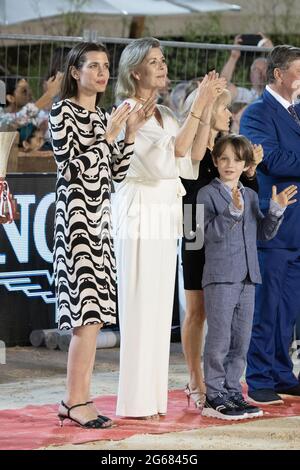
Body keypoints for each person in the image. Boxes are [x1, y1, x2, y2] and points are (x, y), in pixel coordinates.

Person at [113, 37, 226, 419]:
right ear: (135, 72)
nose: (162, 67)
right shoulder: (129, 110)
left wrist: (206, 105)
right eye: (154, 61)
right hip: (140, 210)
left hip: (164, 210)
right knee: (141, 305)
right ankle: (134, 400)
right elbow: (175, 151)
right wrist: (198, 104)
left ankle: (153, 399)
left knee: (161, 310)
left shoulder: (163, 111)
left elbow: (194, 154)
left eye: (163, 60)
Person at [49, 41, 151, 428]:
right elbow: (72, 169)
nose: (103, 72)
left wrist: (127, 136)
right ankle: (76, 400)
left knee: (93, 318)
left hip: (101, 222)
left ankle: (76, 399)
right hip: (76, 222)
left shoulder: (104, 116)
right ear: (75, 72)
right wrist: (108, 136)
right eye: (94, 66)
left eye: (106, 65)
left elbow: (115, 174)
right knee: (84, 318)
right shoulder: (63, 112)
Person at [197, 134, 297, 420]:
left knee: (241, 341)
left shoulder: (251, 195)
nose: (230, 165)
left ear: (246, 165)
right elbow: (203, 236)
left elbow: (264, 233)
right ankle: (213, 395)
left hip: (249, 278)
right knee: (219, 340)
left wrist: (276, 211)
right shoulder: (206, 194)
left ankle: (232, 391)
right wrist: (231, 212)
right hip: (220, 277)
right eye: (224, 158)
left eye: (237, 160)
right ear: (215, 161)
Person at [180, 87, 261, 410]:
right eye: (224, 108)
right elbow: (190, 189)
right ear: (208, 108)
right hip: (194, 222)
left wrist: (251, 172)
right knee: (196, 310)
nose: (229, 114)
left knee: (220, 317)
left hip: (227, 236)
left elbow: (247, 193)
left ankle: (221, 385)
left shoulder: (227, 147)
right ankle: (195, 379)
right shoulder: (196, 143)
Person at [240, 45, 300, 404]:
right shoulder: (256, 114)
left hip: (298, 228)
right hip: (274, 224)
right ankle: (259, 375)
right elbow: (273, 160)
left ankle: (281, 371)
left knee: (288, 309)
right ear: (279, 74)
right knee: (266, 306)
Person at [220, 34, 272, 105]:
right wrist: (233, 57)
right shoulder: (246, 95)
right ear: (251, 75)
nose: (261, 73)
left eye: (264, 69)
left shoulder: (278, 93)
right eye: (256, 69)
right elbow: (223, 87)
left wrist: (272, 52)